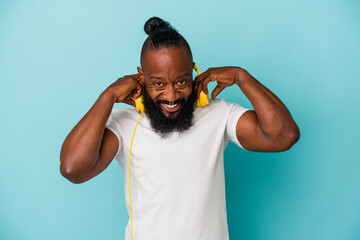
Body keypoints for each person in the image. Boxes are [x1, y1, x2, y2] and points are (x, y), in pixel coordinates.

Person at [60, 17, 300, 240]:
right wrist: (108, 95)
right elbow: (73, 168)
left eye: (182, 81)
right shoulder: (124, 124)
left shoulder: (218, 114)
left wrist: (241, 77)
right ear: (141, 78)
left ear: (194, 73)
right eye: (158, 84)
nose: (172, 95)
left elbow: (283, 136)